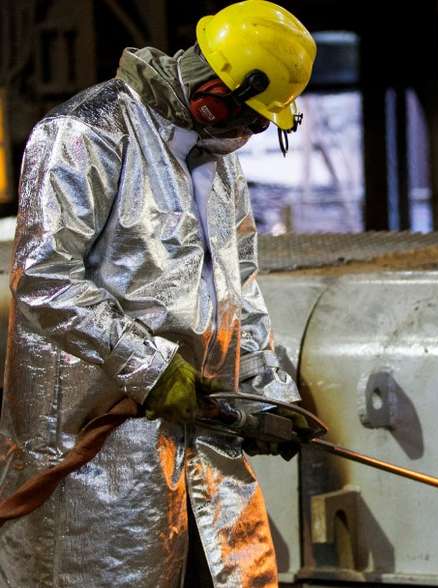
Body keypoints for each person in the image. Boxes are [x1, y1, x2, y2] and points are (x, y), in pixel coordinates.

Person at [0, 1, 316, 586]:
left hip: (203, 450)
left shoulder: (218, 163)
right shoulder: (83, 133)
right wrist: (151, 369)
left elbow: (238, 292)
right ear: (215, 95)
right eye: (249, 119)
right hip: (100, 456)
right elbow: (45, 278)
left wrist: (271, 398)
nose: (247, 136)